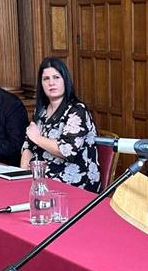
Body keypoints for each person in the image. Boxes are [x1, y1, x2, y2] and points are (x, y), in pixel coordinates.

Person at [20, 58, 100, 191]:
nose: (51, 83)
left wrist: (37, 138)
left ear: (65, 80)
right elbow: (28, 146)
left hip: (75, 181)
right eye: (46, 79)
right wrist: (23, 174)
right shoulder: (41, 110)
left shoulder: (77, 110)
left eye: (56, 77)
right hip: (42, 178)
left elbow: (66, 150)